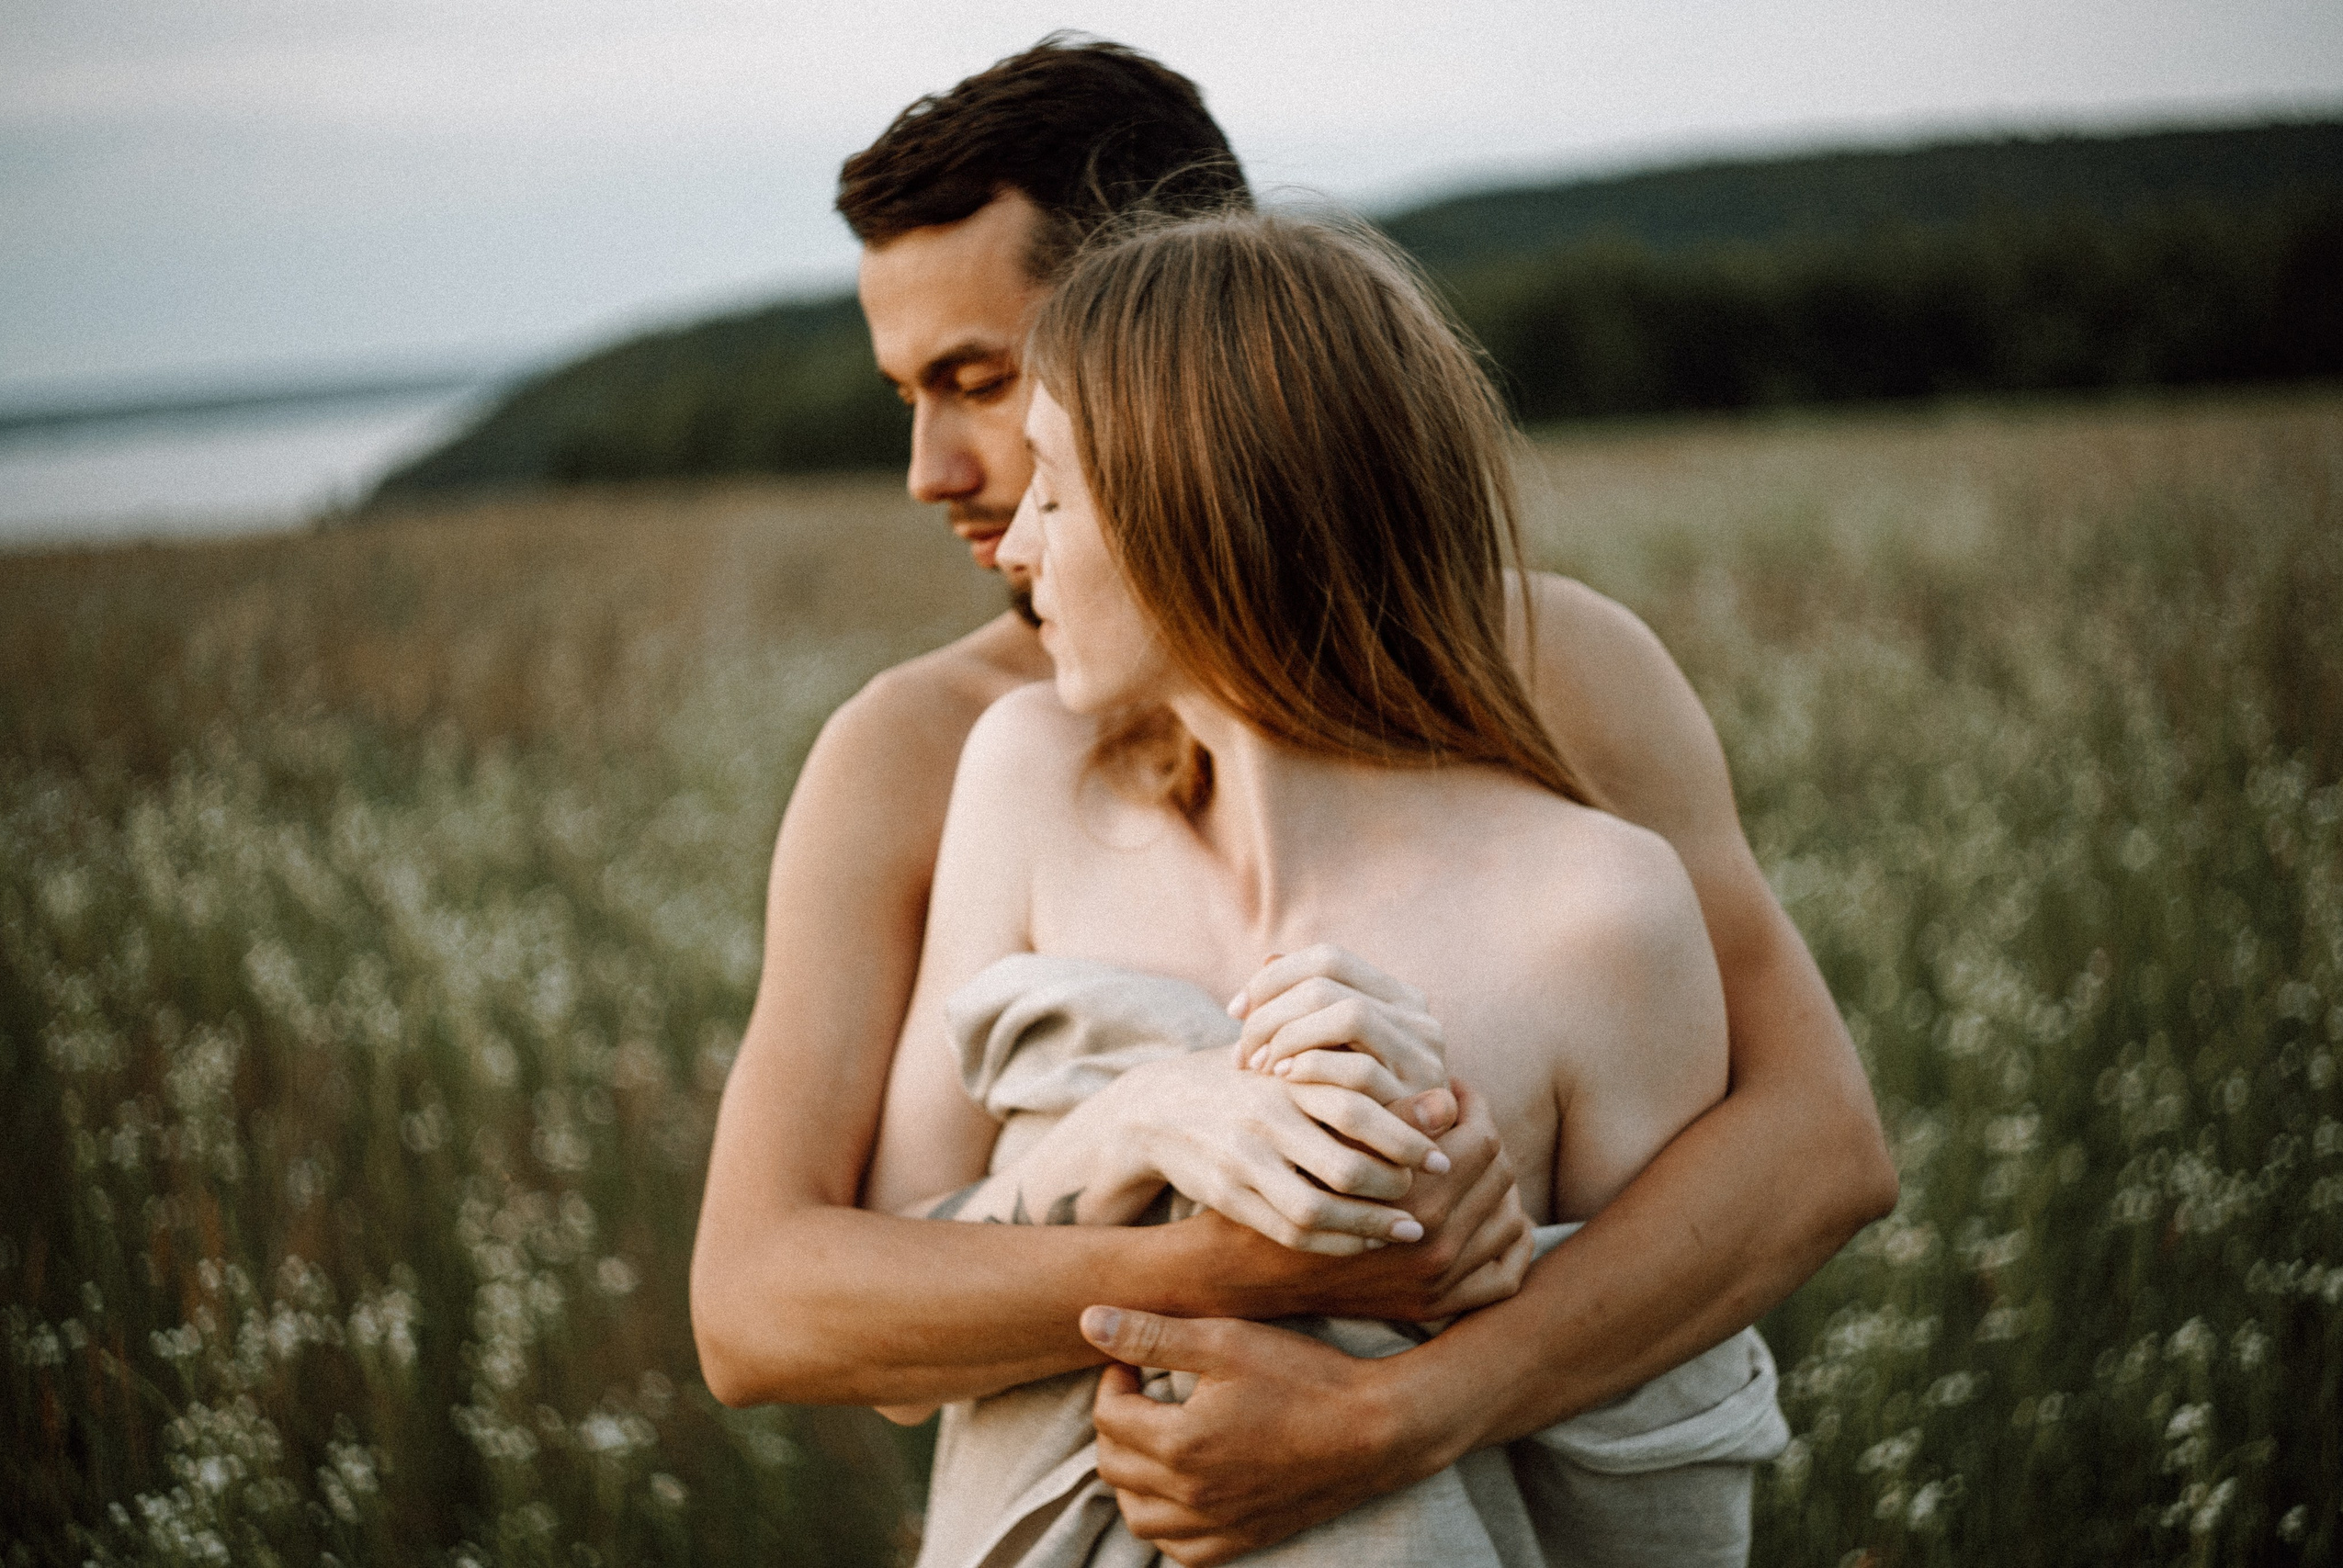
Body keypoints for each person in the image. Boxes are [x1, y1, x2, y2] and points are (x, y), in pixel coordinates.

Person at [689, 34, 1897, 1564]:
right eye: (907, 394)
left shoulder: (1562, 668)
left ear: (1195, 339)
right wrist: (1243, 1253)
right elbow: (759, 1306)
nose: (931, 468)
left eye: (981, 382)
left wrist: (1409, 1414)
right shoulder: (926, 752)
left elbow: (1815, 1144)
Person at [866, 208, 1795, 1568]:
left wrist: (1466, 1294)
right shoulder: (1022, 783)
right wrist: (1136, 1122)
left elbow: (1659, 1517)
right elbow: (895, 1349)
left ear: (1202, 511)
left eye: (1054, 493)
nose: (1013, 553)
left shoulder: (1595, 914)